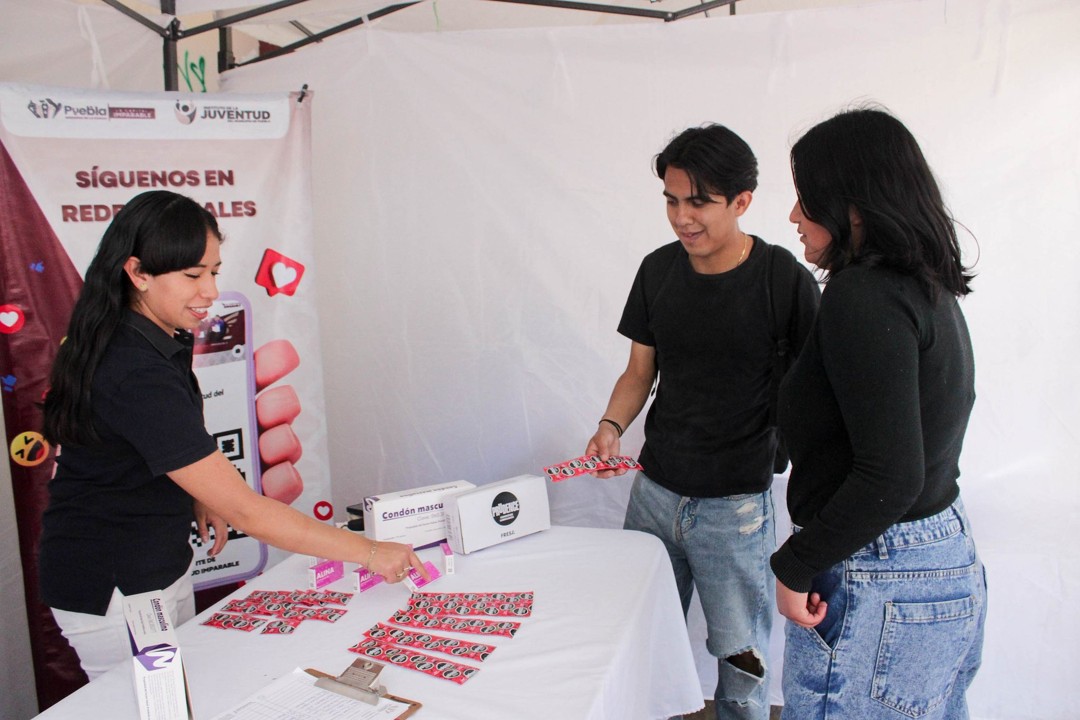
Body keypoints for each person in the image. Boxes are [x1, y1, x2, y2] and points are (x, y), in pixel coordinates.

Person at [38, 190, 426, 680]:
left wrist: (201, 493)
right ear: (137, 273)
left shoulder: (151, 337)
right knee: (150, 706)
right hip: (114, 585)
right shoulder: (133, 367)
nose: (210, 292)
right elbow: (247, 511)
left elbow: (147, 448)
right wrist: (370, 552)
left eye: (214, 272)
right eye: (193, 275)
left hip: (156, 564)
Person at [587, 124, 820, 720]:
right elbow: (639, 371)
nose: (681, 218)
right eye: (671, 200)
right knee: (636, 645)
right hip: (654, 494)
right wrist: (611, 426)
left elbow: (818, 394)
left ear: (741, 201)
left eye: (698, 202)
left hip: (736, 507)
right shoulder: (657, 270)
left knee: (742, 662)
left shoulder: (782, 279)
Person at [770, 107, 987, 719]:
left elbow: (891, 474)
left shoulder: (862, 295)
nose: (794, 216)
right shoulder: (923, 285)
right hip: (937, 555)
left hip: (880, 570)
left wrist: (795, 566)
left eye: (807, 198)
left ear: (855, 209)